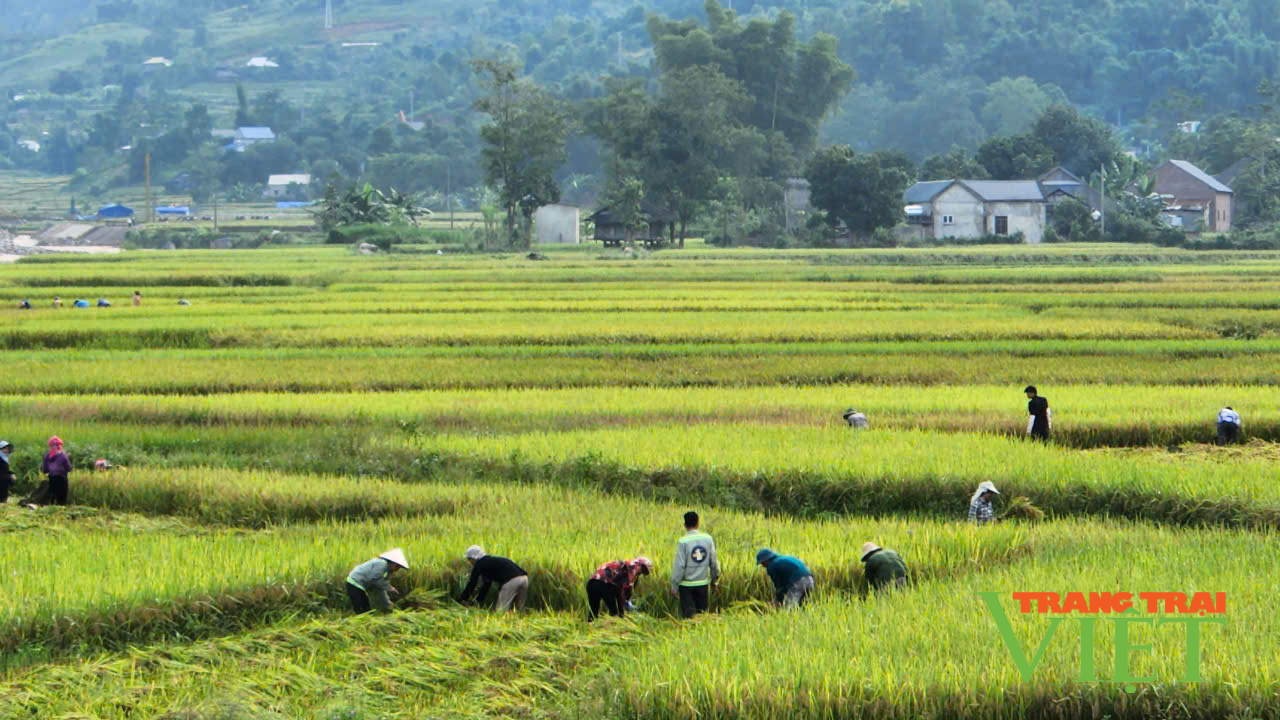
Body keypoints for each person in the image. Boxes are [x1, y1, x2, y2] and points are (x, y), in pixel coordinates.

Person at [671, 511, 719, 618]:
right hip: (702, 584)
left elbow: (680, 566)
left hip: (686, 587)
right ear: (698, 524)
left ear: (685, 525)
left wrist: (674, 586)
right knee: (702, 617)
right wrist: (714, 581)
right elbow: (714, 563)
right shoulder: (708, 539)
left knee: (689, 618)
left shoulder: (683, 542)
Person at [458, 546, 528, 612]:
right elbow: (487, 584)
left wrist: (462, 598)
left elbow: (472, 583)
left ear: (474, 558)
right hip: (524, 578)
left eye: (469, 559)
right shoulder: (491, 561)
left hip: (512, 581)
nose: (470, 562)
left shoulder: (480, 564)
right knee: (519, 609)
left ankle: (501, 623)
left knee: (501, 610)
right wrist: (479, 600)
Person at [586, 557, 653, 620]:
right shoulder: (631, 568)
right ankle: (615, 628)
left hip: (592, 584)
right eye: (642, 569)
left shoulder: (624, 566)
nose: (641, 572)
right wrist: (622, 614)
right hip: (604, 584)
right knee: (615, 613)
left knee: (593, 611)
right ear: (638, 564)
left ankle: (589, 628)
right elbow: (620, 591)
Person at [345, 548, 408, 614]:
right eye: (397, 566)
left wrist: (388, 604)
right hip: (355, 583)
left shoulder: (386, 571)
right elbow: (375, 580)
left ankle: (363, 621)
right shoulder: (382, 564)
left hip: (358, 585)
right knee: (362, 609)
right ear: (392, 562)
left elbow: (381, 589)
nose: (397, 569)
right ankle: (360, 622)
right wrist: (390, 588)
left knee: (366, 609)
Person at [39, 436, 71, 506]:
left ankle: (55, 508)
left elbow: (45, 469)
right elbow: (68, 468)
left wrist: (46, 472)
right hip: (58, 478)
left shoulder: (49, 455)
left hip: (56, 477)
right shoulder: (62, 455)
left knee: (55, 495)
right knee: (58, 496)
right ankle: (58, 508)